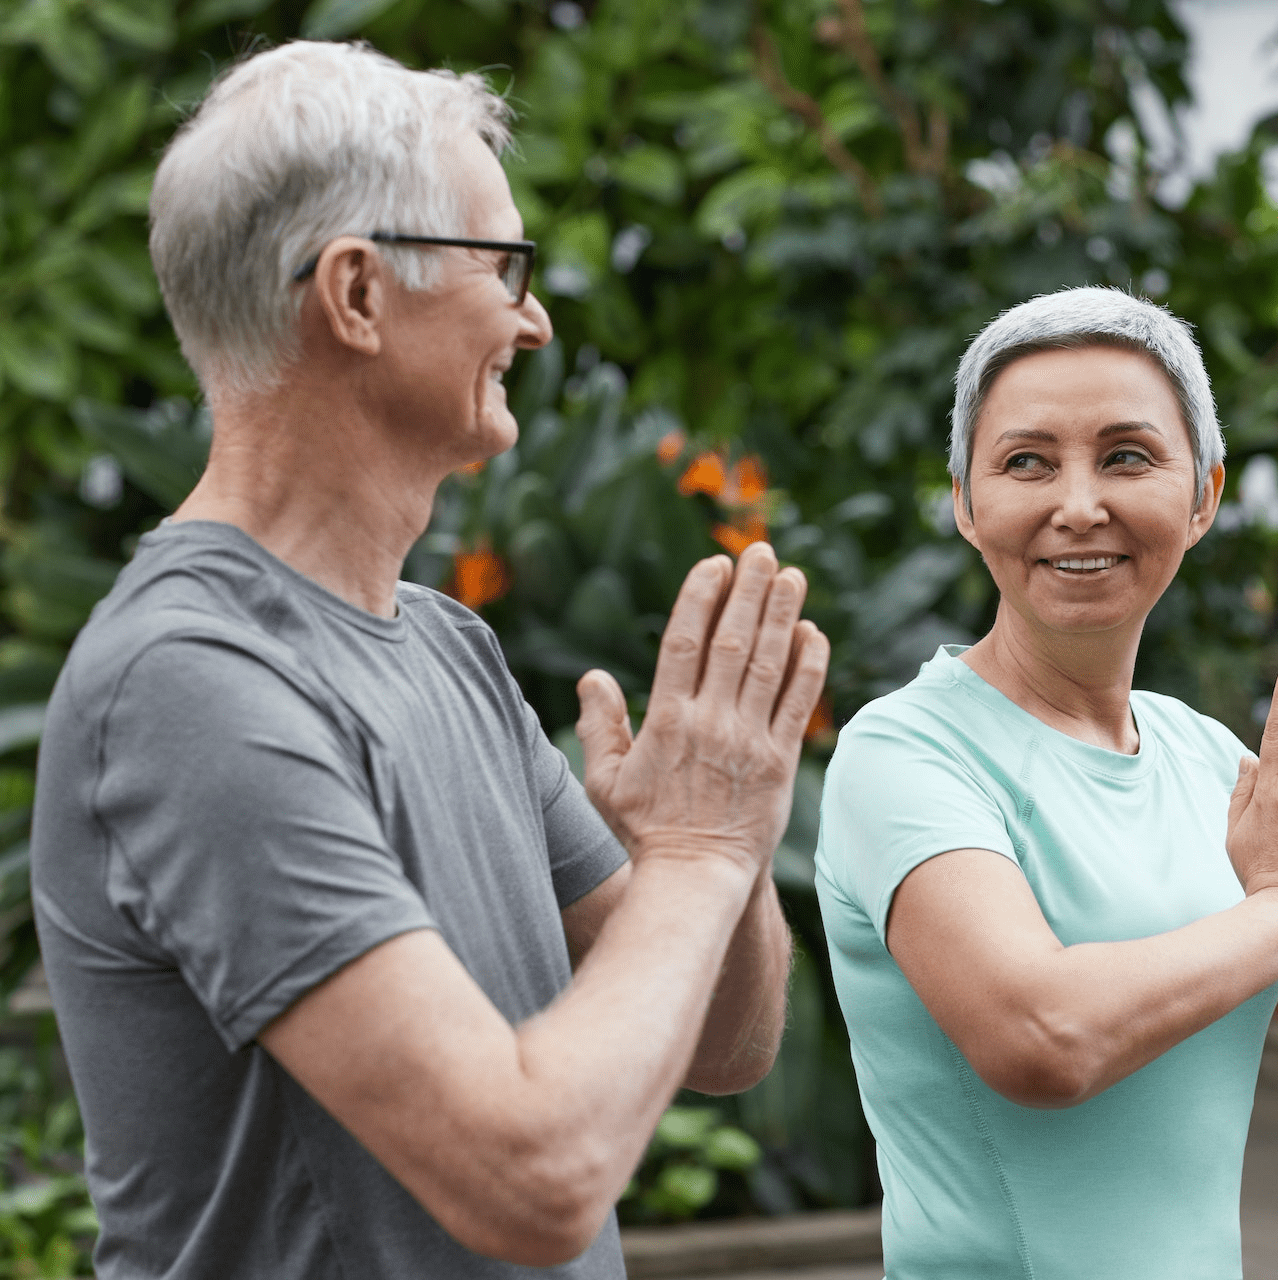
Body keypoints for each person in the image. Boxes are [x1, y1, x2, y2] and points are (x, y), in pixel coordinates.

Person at [28, 41, 827, 1279]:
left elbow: (725, 1044)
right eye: (504, 264)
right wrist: (702, 848)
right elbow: (534, 1176)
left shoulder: (448, 646)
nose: (536, 316)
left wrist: (723, 846)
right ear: (356, 295)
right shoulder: (190, 682)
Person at [814, 286, 1278, 1278]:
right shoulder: (907, 752)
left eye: (1128, 455)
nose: (1078, 504)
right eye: (1026, 462)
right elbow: (1041, 1036)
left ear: (1204, 496)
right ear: (968, 504)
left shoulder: (1197, 754)